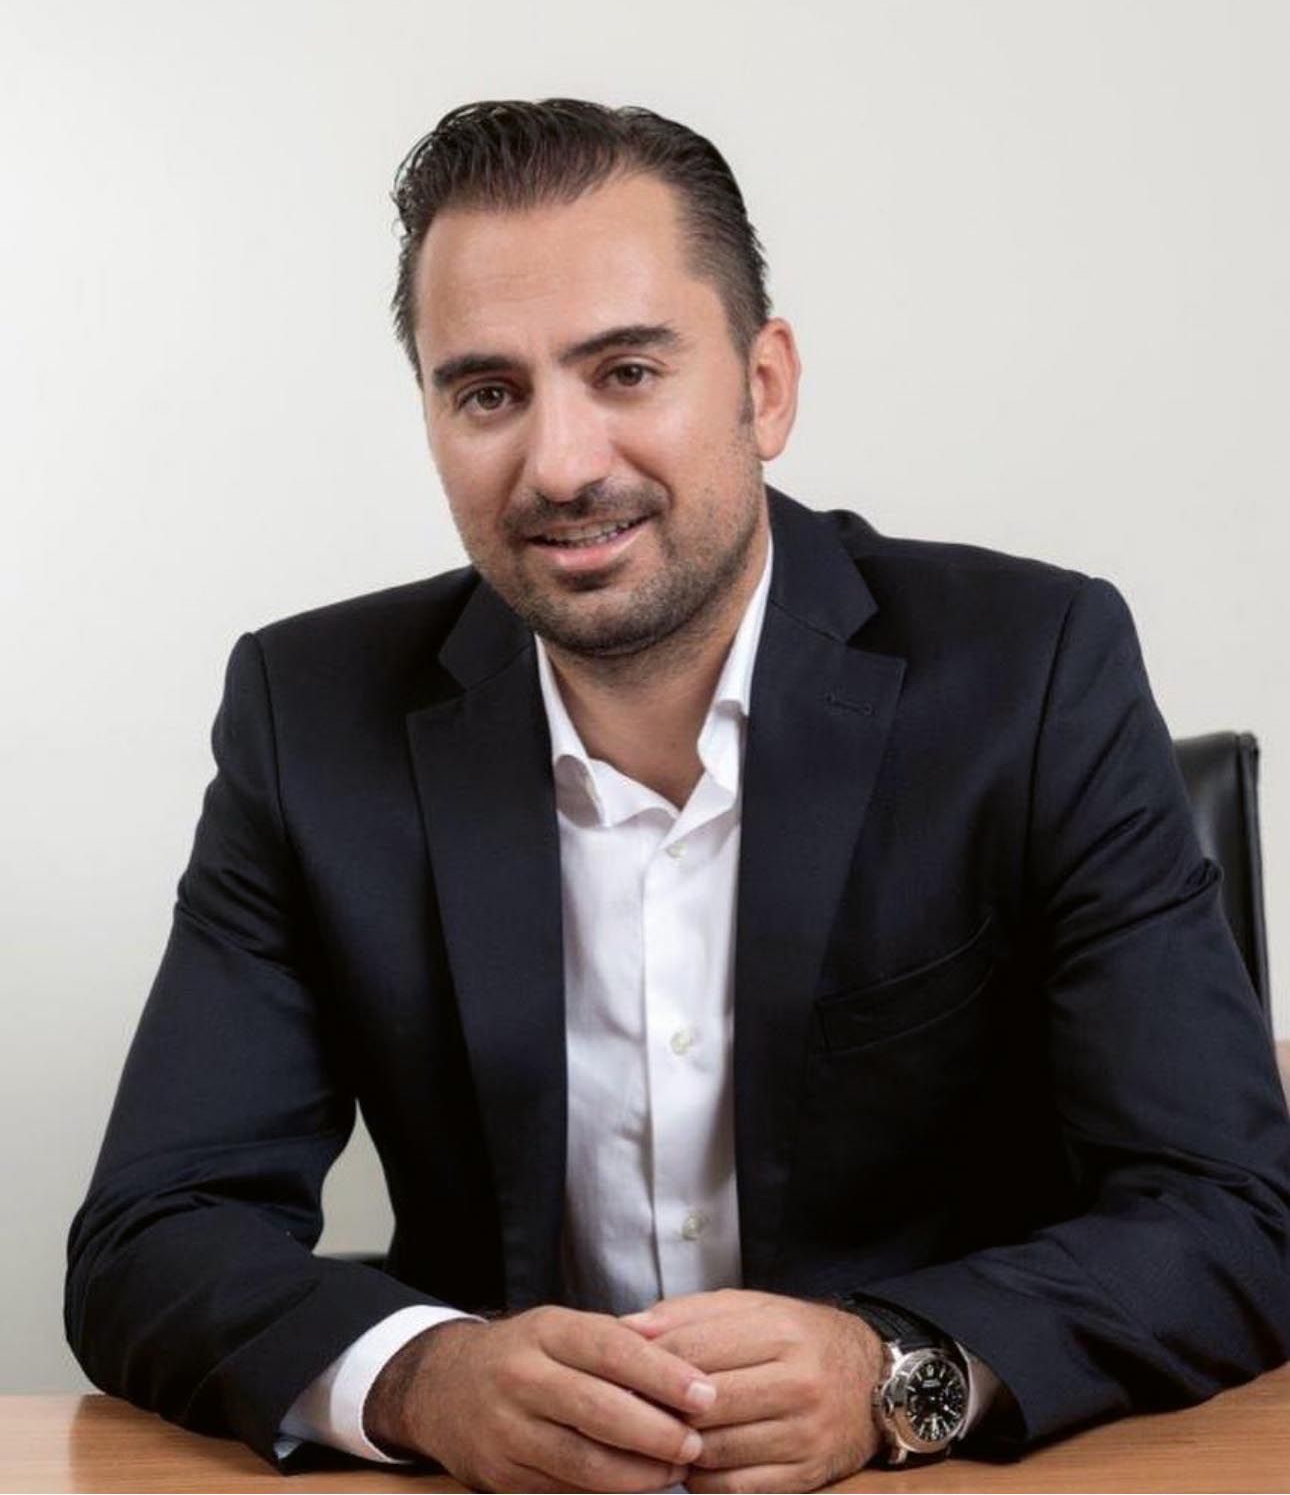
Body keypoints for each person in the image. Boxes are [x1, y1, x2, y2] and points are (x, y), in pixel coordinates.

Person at [66, 99, 1290, 1494]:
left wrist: (894, 1369)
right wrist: (421, 1378)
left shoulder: (1030, 674)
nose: (562, 465)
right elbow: (150, 1235)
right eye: (488, 393)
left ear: (764, 387)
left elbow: (1233, 1208)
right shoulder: (312, 718)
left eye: (628, 371)